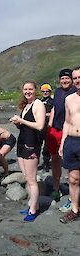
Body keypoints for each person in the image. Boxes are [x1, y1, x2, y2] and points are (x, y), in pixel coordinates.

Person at [10, 81, 45, 222]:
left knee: (31, 180)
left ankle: (33, 210)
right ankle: (33, 204)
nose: (28, 91)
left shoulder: (38, 104)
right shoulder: (27, 105)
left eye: (30, 89)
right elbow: (26, 126)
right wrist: (18, 123)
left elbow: (40, 125)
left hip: (32, 144)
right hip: (22, 143)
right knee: (26, 176)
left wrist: (22, 121)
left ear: (35, 90)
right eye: (25, 89)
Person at [47, 69, 76, 203]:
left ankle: (73, 194)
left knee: (72, 163)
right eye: (62, 78)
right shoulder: (57, 92)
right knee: (55, 160)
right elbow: (54, 108)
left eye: (67, 78)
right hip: (55, 130)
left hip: (70, 132)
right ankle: (56, 187)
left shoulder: (76, 92)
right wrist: (50, 125)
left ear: (72, 80)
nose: (65, 81)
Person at [59, 67, 80, 223]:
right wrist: (62, 143)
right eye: (75, 78)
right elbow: (67, 121)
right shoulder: (69, 99)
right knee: (73, 178)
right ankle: (74, 209)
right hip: (72, 141)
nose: (77, 80)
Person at [39, 84, 53, 172]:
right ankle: (36, 163)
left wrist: (45, 114)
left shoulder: (53, 101)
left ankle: (46, 163)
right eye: (43, 91)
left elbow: (55, 112)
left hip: (49, 126)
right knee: (37, 144)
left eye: (47, 91)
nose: (45, 93)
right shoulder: (40, 101)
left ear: (50, 92)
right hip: (40, 126)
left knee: (47, 146)